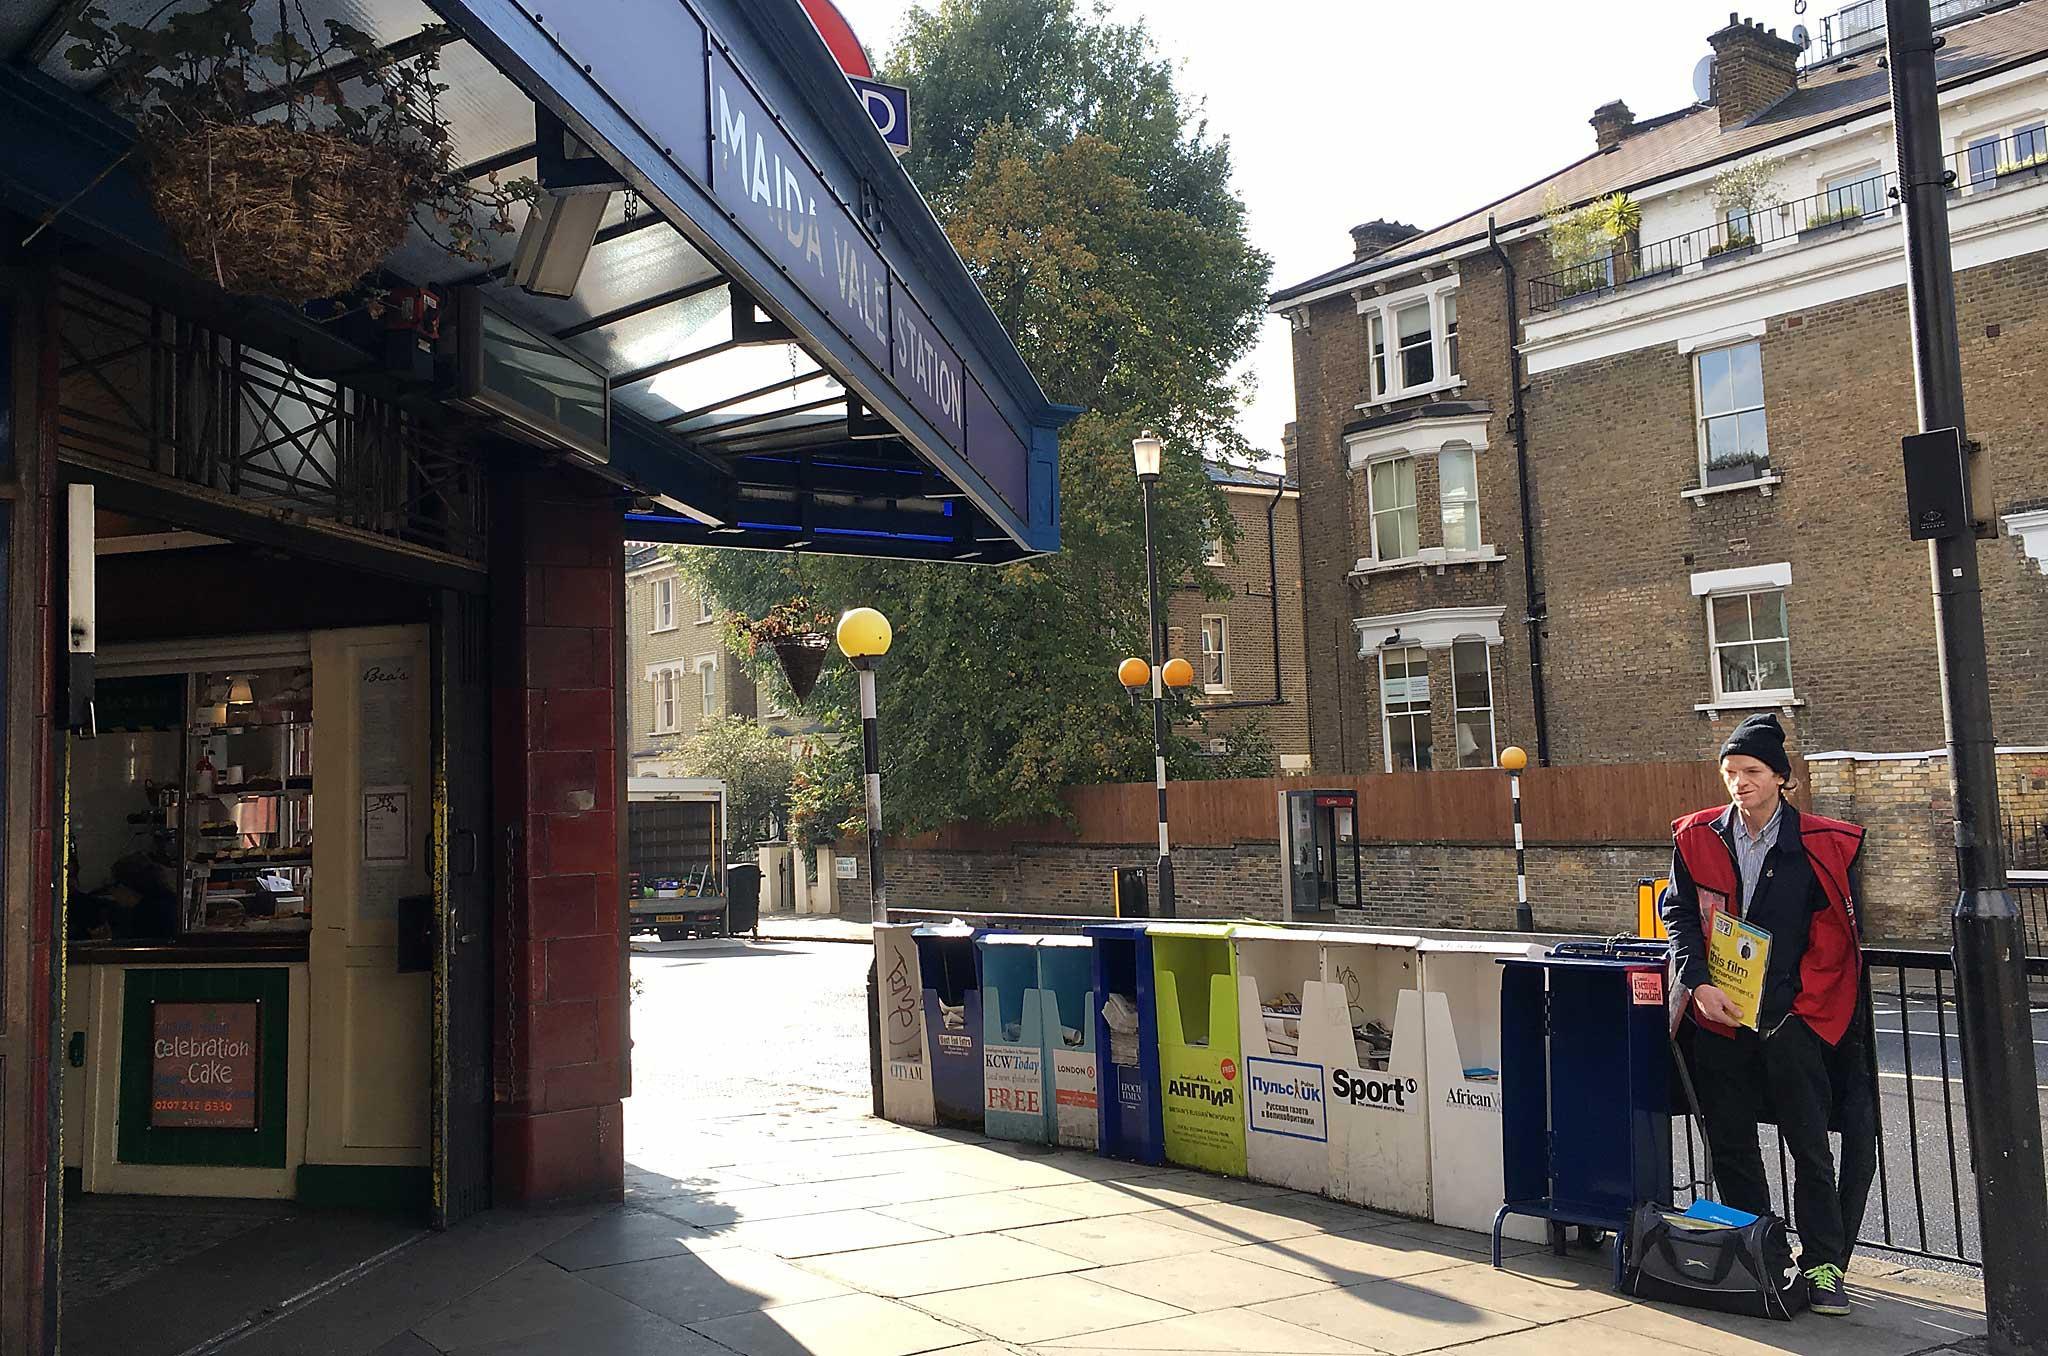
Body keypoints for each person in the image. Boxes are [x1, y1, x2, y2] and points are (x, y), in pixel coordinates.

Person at [1660, 712, 1874, 1317]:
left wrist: (1801, 1011)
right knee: (1729, 1142)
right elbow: (1679, 917)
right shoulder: (1697, 836)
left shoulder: (1818, 846)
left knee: (1809, 1144)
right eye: (1730, 772)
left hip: (1789, 1021)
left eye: (1751, 772)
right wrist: (1697, 985)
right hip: (1719, 1017)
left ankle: (1825, 1267)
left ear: (1783, 779)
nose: (1739, 783)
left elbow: (1834, 940)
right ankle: (1758, 1254)